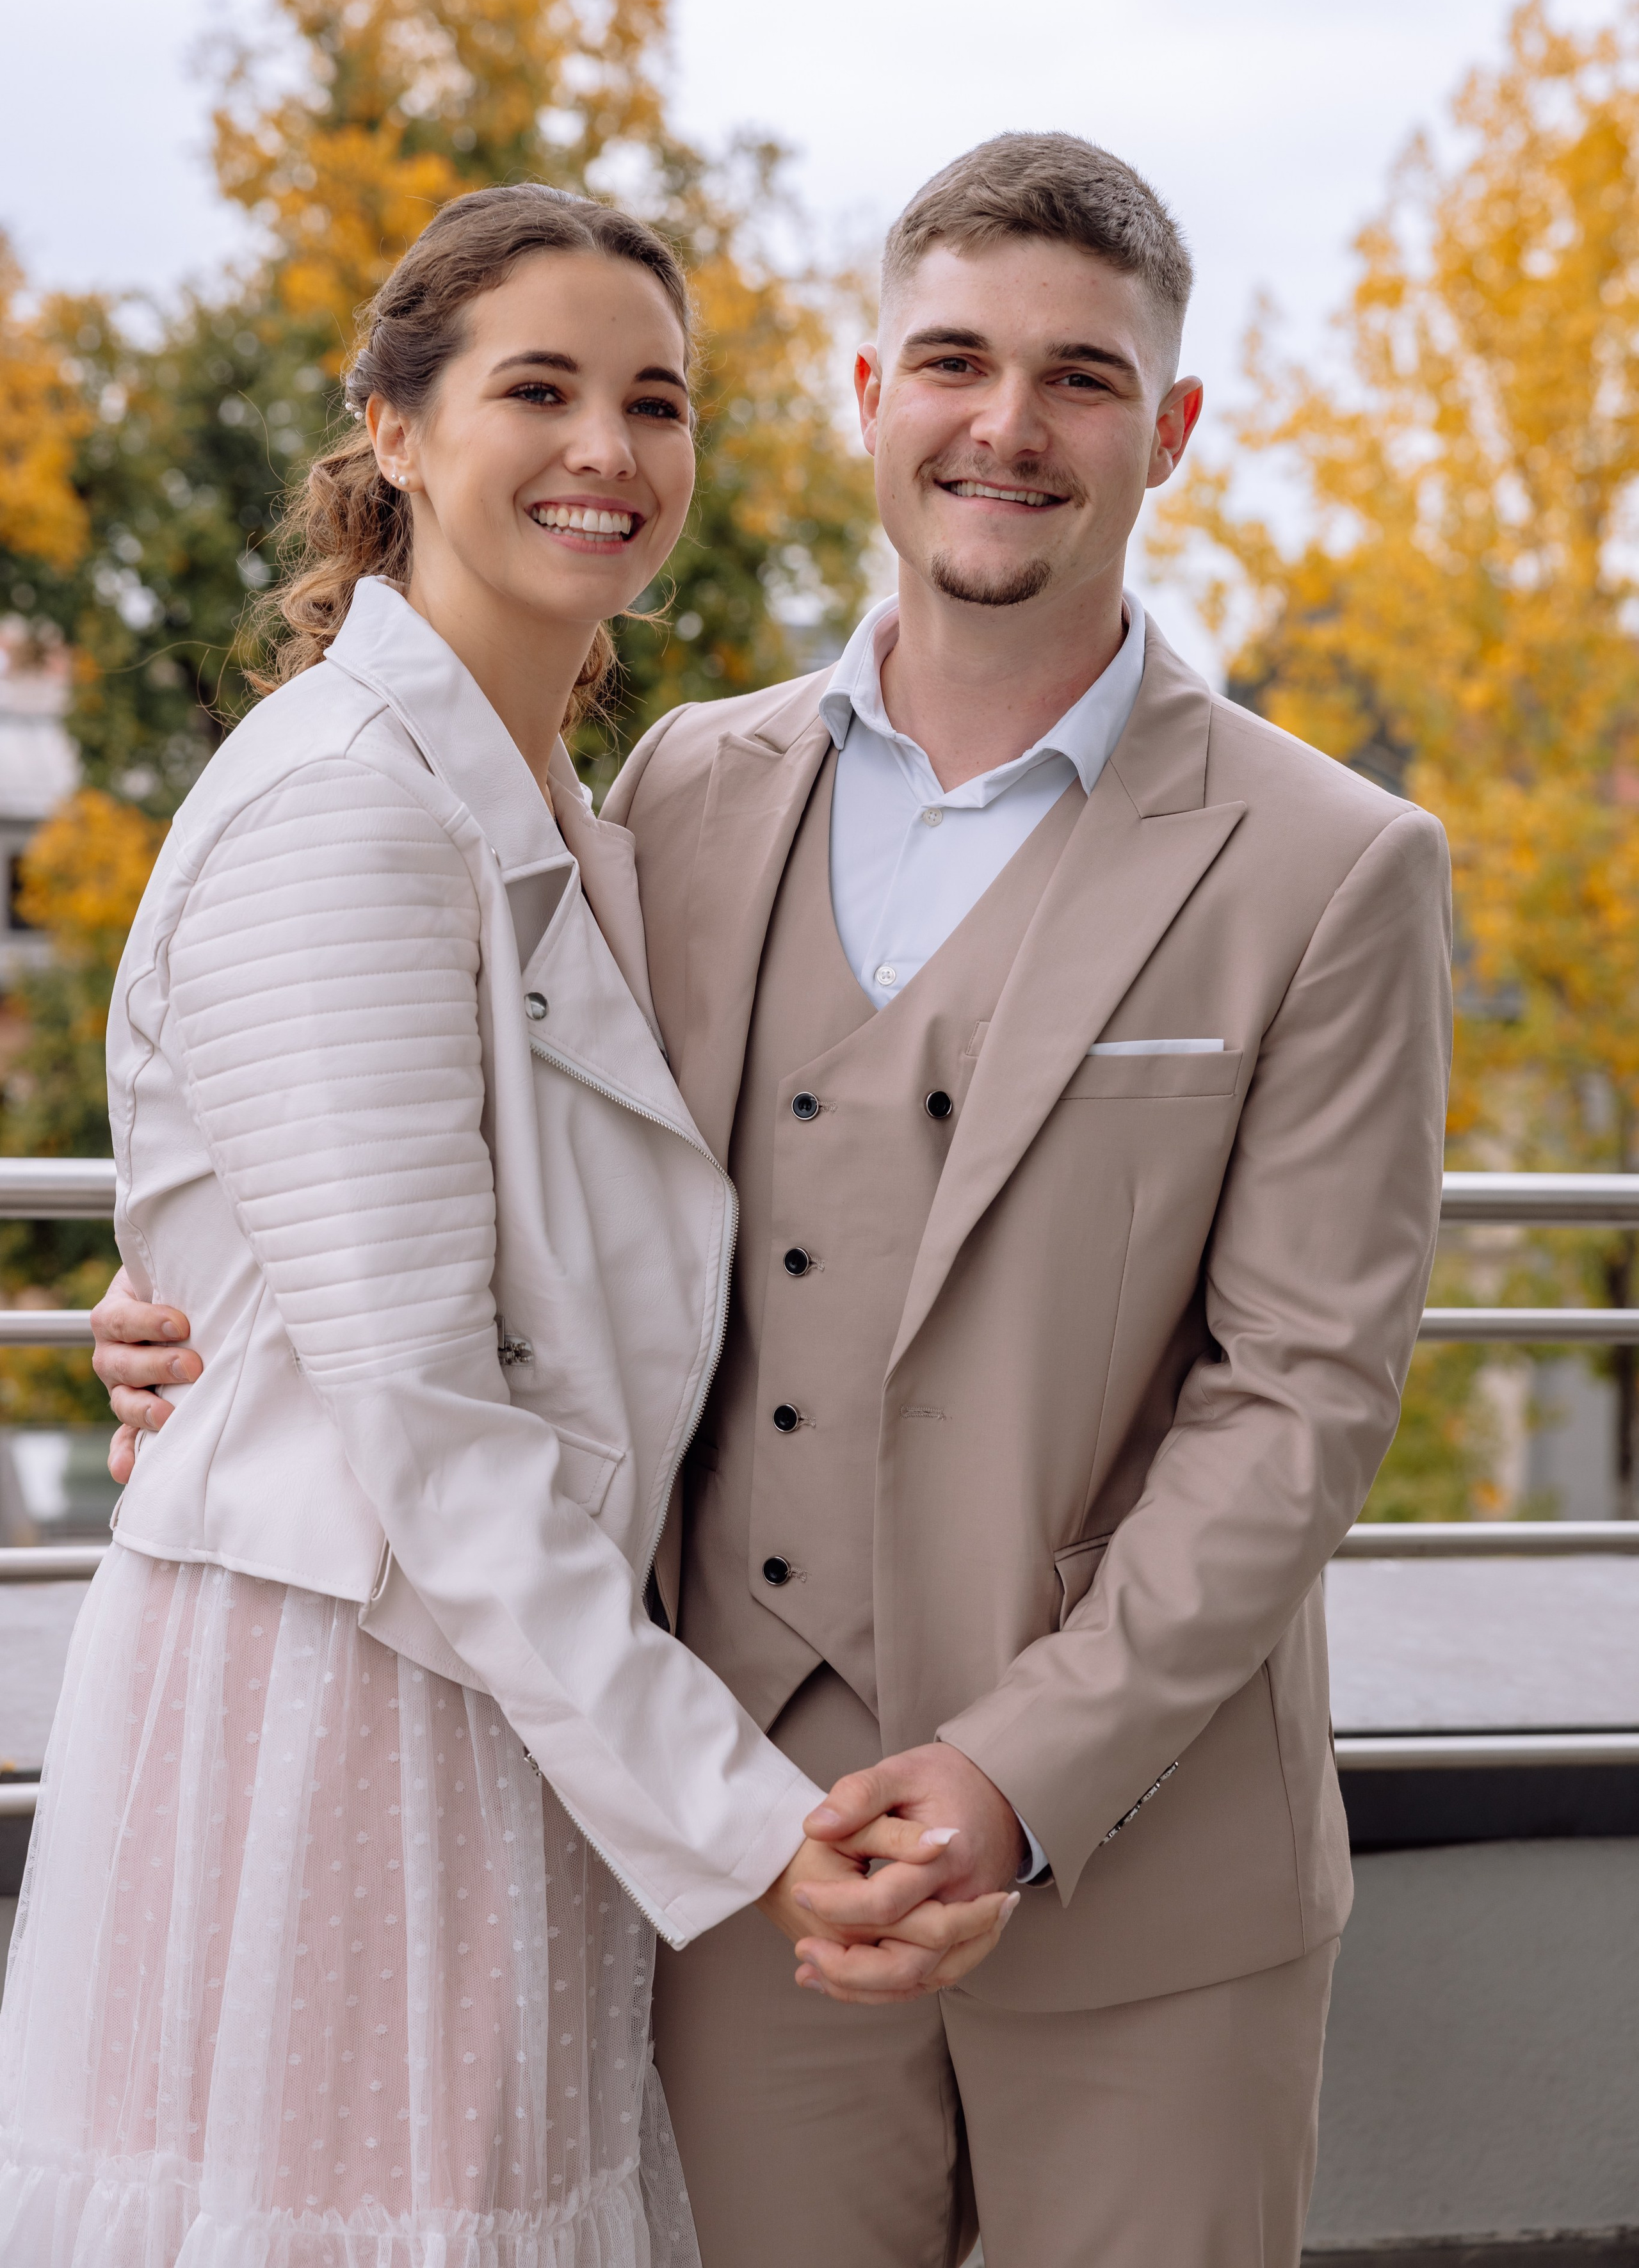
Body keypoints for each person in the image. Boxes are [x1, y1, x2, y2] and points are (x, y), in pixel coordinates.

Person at [92, 133, 1453, 2268]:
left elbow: (1303, 1400)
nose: (1008, 426)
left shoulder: (1331, 860)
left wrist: (1020, 1774)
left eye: (1083, 378)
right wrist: (213, 1305)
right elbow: (458, 1193)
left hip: (1142, 1874)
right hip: (734, 1865)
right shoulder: (682, 792)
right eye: (957, 362)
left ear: (1173, 426)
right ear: (871, 393)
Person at [0, 184, 1013, 2268]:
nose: (607, 451)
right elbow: (424, 1415)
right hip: (351, 1700)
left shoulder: (559, 800)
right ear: (392, 429)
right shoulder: (346, 805)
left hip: (507, 1686)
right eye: (536, 390)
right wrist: (748, 1823)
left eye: (657, 402)